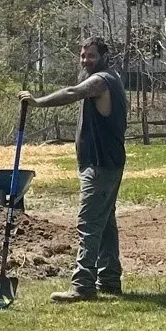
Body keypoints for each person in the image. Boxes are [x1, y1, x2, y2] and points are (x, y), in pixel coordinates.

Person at [20, 35, 128, 301]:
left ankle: (82, 286)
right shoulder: (109, 79)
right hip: (105, 164)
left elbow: (72, 92)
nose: (85, 60)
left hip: (101, 165)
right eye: (82, 55)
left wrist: (37, 102)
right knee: (105, 224)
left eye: (90, 55)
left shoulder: (101, 80)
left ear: (103, 56)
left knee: (89, 224)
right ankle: (110, 279)